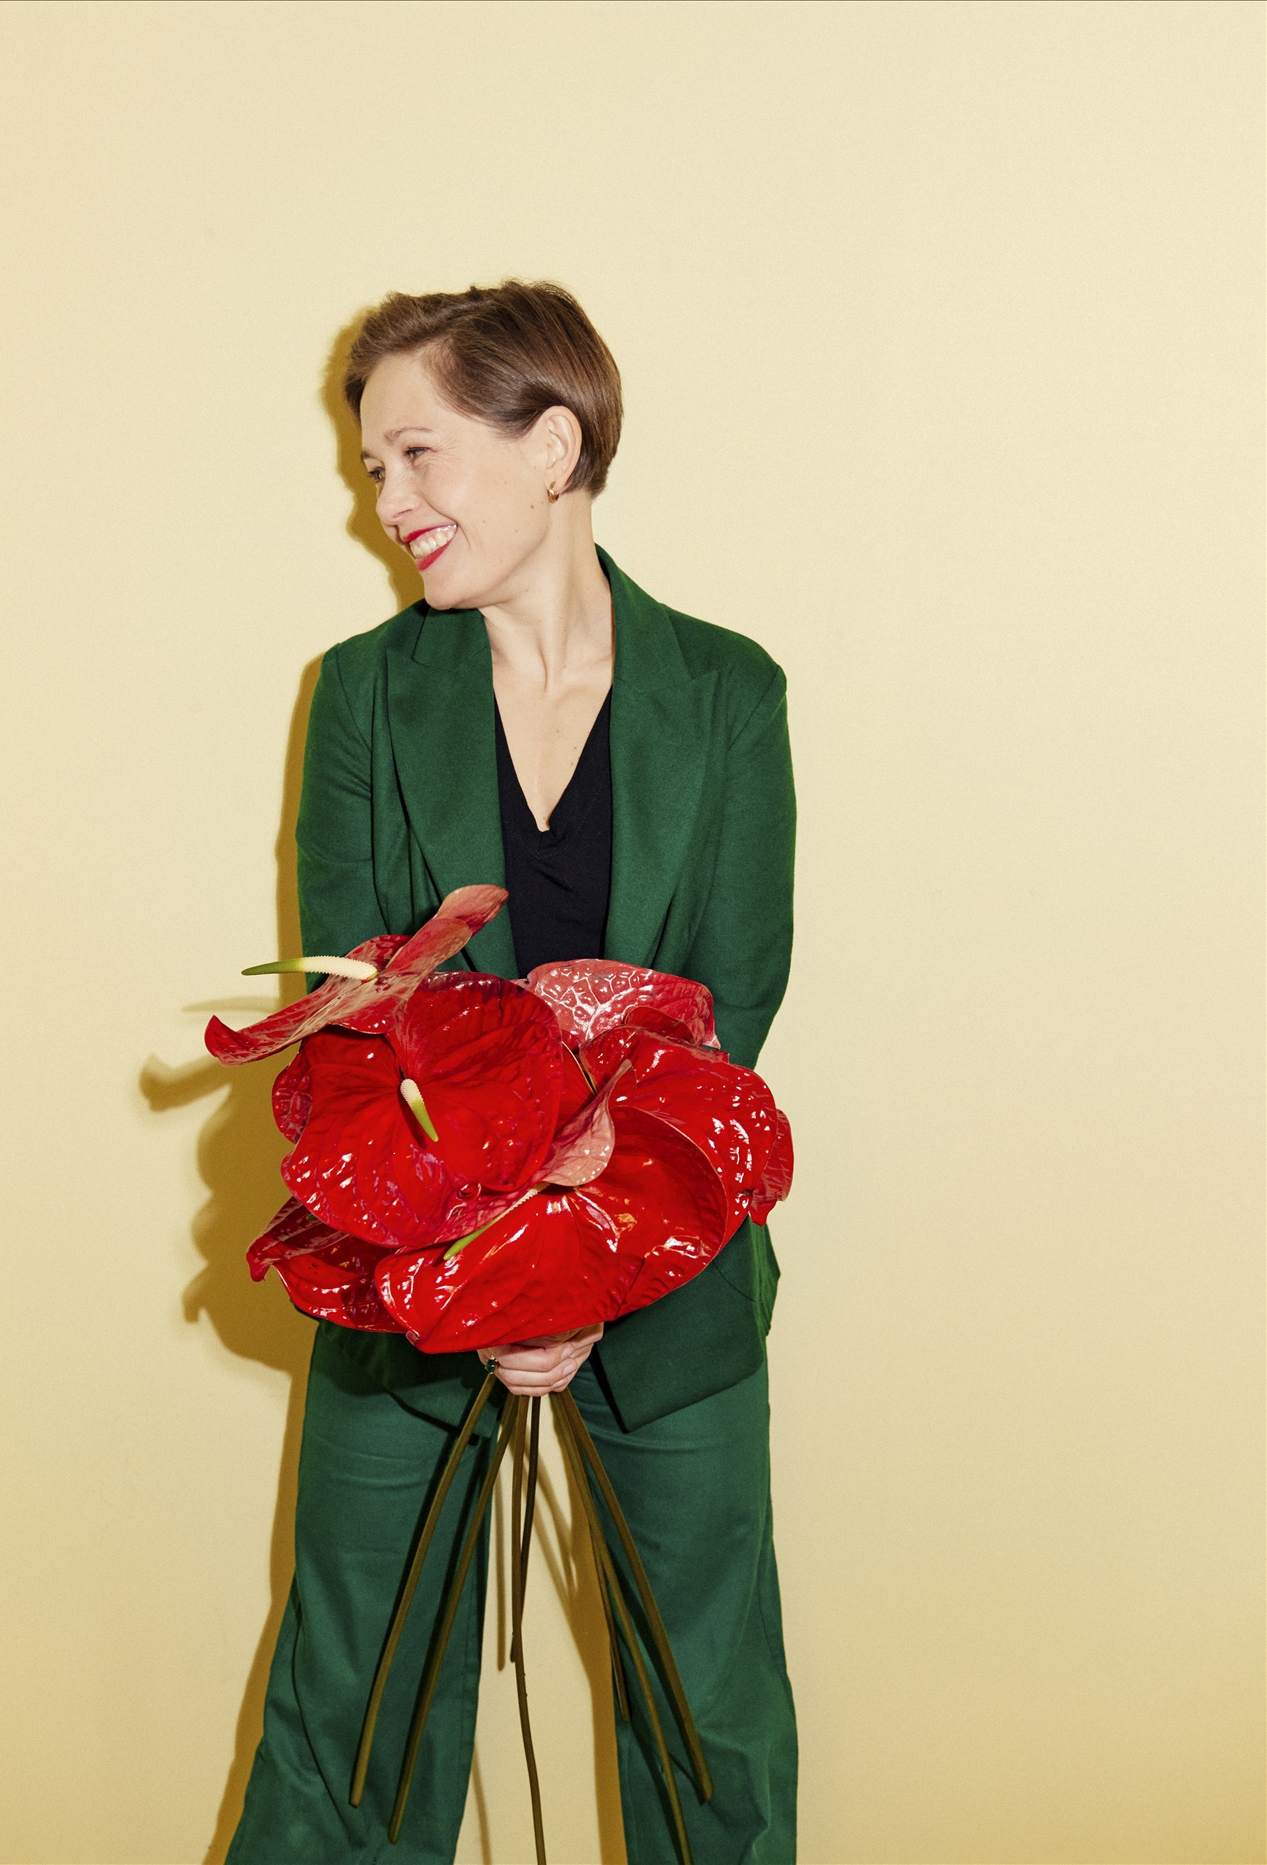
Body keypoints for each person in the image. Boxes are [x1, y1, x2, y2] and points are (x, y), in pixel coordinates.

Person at [226, 281, 797, 1863]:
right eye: (371, 469)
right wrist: (489, 1274)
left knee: (711, 1724)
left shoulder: (730, 694)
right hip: (403, 1282)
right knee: (350, 1715)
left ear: (553, 446)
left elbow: (728, 1019)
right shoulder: (362, 691)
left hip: (668, 1279)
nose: (386, 499)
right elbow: (352, 1027)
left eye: (417, 454)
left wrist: (575, 1269)